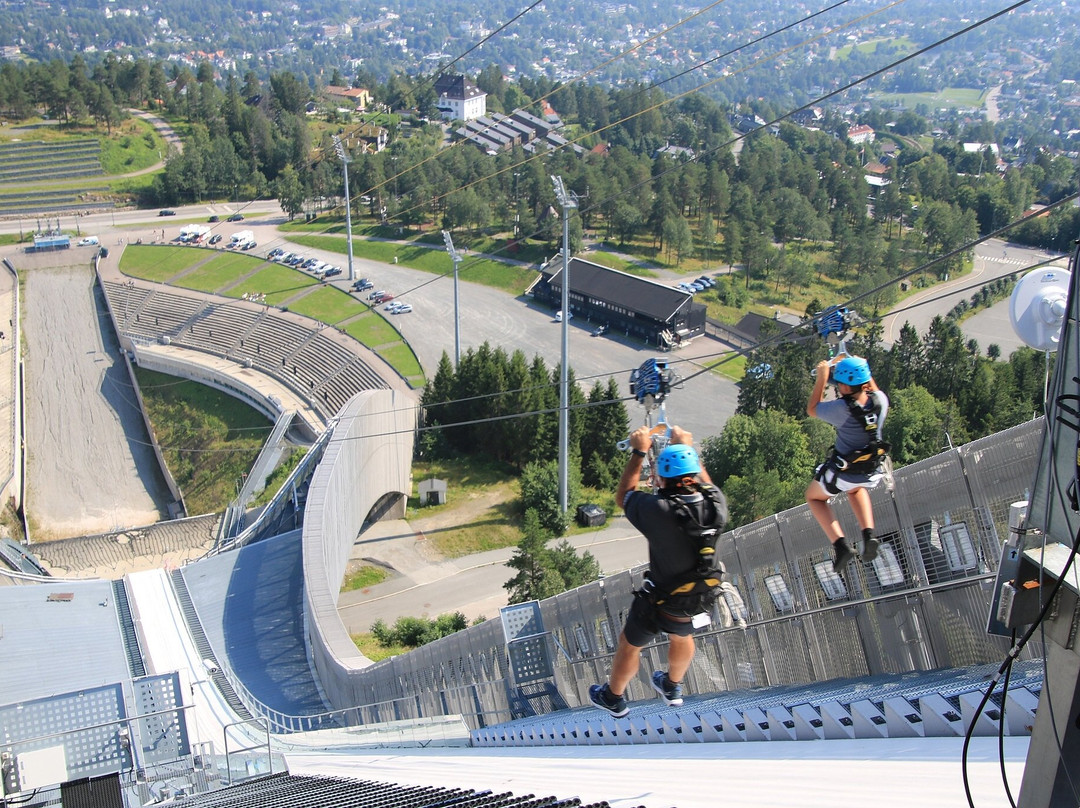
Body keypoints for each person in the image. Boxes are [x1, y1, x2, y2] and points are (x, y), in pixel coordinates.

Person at [589, 425, 728, 718]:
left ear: (662, 479)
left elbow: (624, 496)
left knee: (630, 644)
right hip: (700, 598)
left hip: (661, 601)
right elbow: (707, 483)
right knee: (682, 636)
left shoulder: (659, 510)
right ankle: (672, 685)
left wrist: (639, 452)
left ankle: (613, 697)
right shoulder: (718, 505)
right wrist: (687, 448)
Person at [805, 355, 890, 574]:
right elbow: (869, 386)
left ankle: (841, 545)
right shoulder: (881, 400)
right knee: (856, 489)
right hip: (870, 470)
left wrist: (822, 377)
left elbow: (812, 408)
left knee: (814, 497)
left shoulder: (841, 410)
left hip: (843, 472)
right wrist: (858, 364)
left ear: (843, 386)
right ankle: (868, 534)